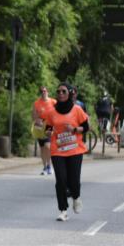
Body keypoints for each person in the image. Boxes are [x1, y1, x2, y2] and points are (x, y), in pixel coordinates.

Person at [42, 82, 90, 222]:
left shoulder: (77, 110)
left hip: (75, 150)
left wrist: (74, 130)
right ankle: (63, 210)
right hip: (58, 151)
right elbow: (48, 128)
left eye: (63, 91)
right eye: (58, 91)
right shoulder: (52, 112)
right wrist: (49, 132)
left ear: (69, 93)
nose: (60, 94)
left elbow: (86, 127)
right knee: (61, 180)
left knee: (74, 181)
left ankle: (76, 197)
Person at [32, 86, 56, 175]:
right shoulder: (37, 103)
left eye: (45, 91)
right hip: (40, 125)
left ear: (48, 92)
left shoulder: (53, 102)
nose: (43, 92)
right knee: (42, 147)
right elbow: (33, 115)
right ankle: (45, 167)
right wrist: (36, 120)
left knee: (47, 146)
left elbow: (58, 112)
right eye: (42, 91)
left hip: (49, 124)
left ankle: (49, 166)